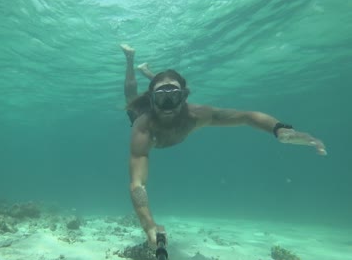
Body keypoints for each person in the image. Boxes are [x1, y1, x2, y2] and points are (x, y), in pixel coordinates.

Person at [120, 44, 327, 247]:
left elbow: (246, 116)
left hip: (168, 98)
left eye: (174, 97)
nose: (167, 106)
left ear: (184, 97)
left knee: (163, 85)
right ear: (152, 98)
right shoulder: (143, 128)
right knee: (131, 97)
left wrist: (281, 129)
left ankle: (151, 75)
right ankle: (130, 59)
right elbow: (137, 184)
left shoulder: (197, 114)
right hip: (143, 111)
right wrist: (149, 225)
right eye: (161, 98)